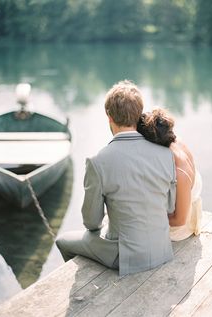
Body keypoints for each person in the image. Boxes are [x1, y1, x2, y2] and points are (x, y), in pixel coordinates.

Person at [56, 80, 176, 276]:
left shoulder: (98, 161)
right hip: (162, 249)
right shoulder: (165, 154)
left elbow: (91, 222)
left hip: (127, 257)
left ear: (109, 116)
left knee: (62, 241)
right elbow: (169, 207)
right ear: (139, 115)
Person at [137, 108, 202, 241]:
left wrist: (146, 220)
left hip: (179, 228)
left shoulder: (180, 173)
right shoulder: (174, 141)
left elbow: (180, 220)